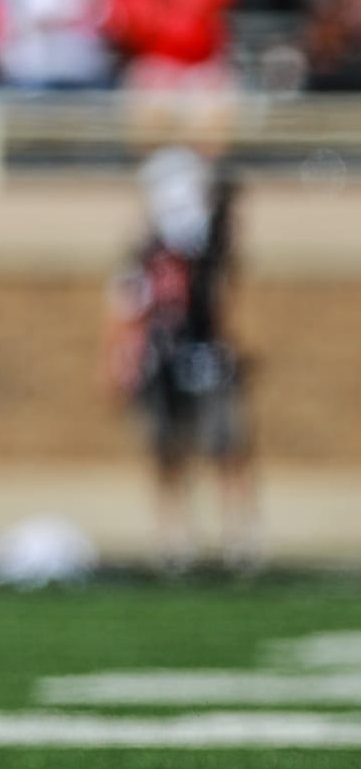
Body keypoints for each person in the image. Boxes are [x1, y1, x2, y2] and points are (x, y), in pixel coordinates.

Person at [106, 146, 257, 574]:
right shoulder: (145, 252)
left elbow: (223, 293)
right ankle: (176, 538)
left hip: (207, 356)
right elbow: (127, 307)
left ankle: (238, 536)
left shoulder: (212, 247)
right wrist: (121, 360)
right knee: (167, 450)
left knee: (226, 447)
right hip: (163, 359)